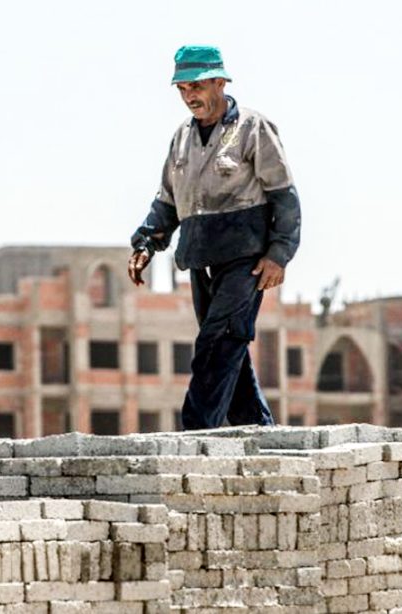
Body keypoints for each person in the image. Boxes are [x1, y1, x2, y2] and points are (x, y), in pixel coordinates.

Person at [128, 45, 301, 430]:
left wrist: (279, 253)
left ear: (220, 82)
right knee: (229, 349)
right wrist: (145, 243)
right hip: (200, 257)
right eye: (182, 88)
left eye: (197, 85)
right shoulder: (181, 139)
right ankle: (259, 431)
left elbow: (284, 194)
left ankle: (195, 432)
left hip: (246, 259)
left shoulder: (253, 129)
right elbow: (168, 201)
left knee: (217, 343)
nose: (190, 95)